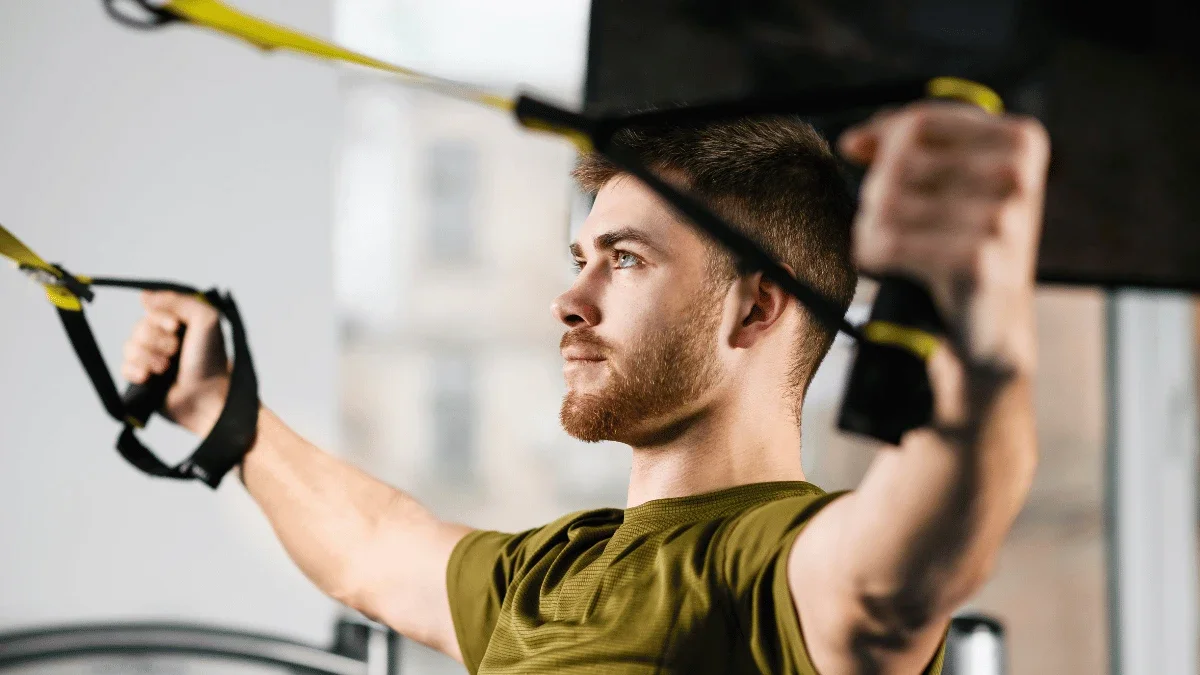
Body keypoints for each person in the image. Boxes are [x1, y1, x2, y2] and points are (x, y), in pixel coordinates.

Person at [121, 100, 1049, 674]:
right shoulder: (553, 568)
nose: (570, 298)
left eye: (626, 260)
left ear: (757, 310)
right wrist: (219, 411)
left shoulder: (776, 566)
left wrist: (986, 337)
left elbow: (919, 556)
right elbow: (372, 545)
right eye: (580, 258)